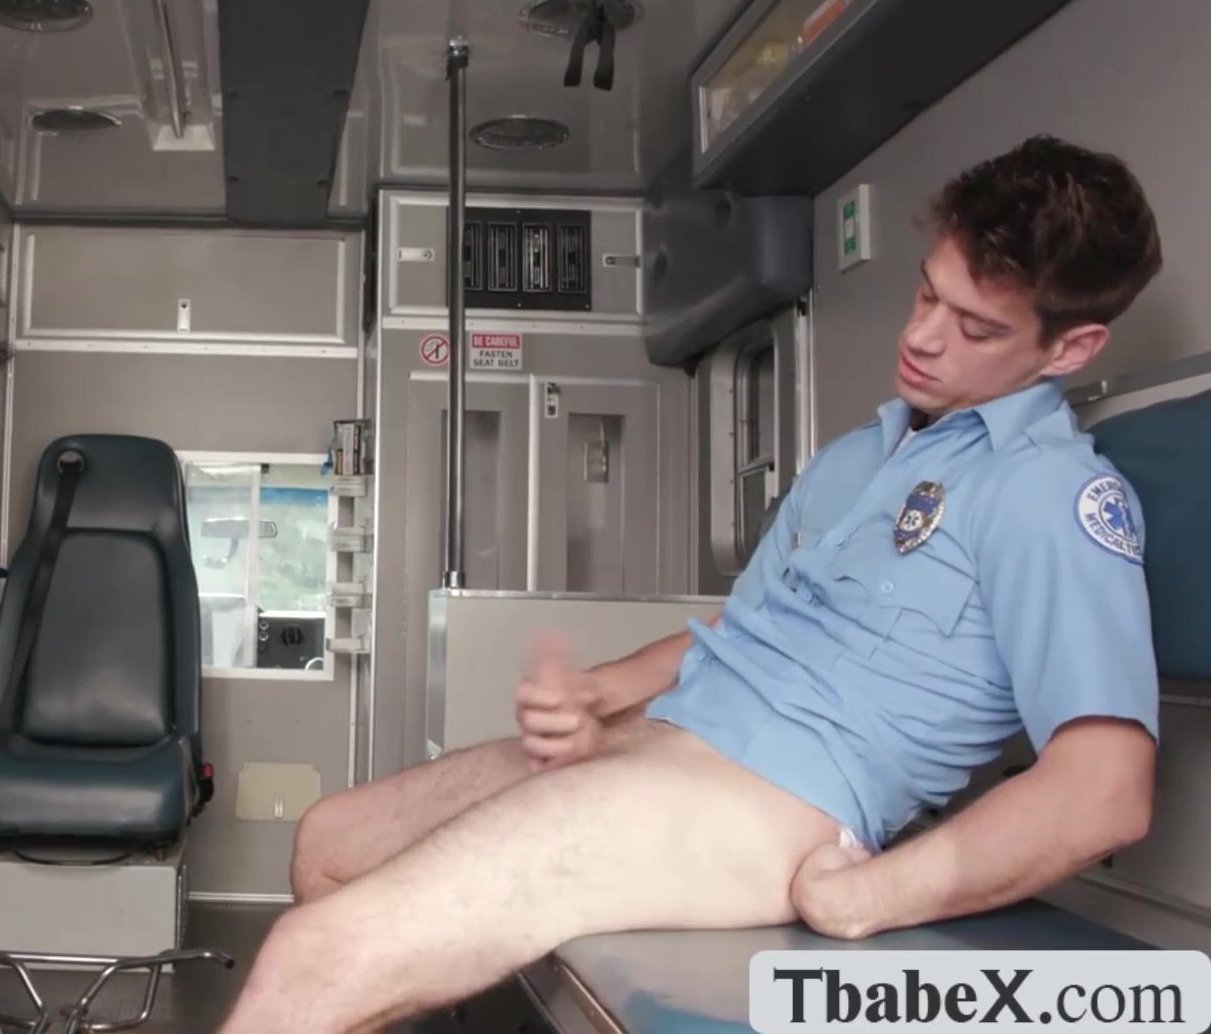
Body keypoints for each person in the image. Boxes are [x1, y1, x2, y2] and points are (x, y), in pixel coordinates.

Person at [217, 135, 1167, 1033]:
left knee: (312, 958)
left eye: (974, 327)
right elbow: (741, 627)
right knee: (332, 843)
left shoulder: (1050, 495)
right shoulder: (860, 455)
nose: (921, 336)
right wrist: (604, 692)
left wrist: (870, 896)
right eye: (927, 293)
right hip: (673, 734)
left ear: (1069, 349)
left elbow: (1103, 793)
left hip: (777, 797)